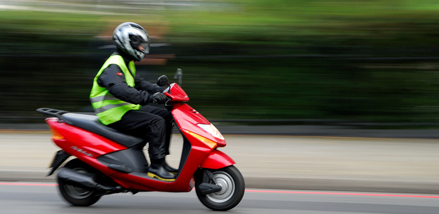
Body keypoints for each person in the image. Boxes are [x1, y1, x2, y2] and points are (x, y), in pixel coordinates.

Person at [90, 22, 176, 181]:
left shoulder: (126, 62)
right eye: (140, 45)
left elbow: (139, 84)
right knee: (156, 122)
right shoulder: (113, 65)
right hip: (113, 115)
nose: (142, 49)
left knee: (166, 115)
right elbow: (121, 90)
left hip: (125, 110)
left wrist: (163, 91)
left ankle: (162, 161)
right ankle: (156, 167)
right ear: (127, 43)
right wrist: (150, 98)